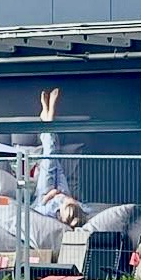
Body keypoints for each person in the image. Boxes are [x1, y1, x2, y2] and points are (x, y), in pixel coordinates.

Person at [31, 88, 87, 228]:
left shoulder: (51, 214)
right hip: (63, 190)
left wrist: (52, 195)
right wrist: (68, 198)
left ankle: (47, 119)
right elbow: (86, 207)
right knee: (55, 157)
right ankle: (47, 119)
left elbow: (37, 208)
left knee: (50, 157)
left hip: (45, 192)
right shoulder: (78, 211)